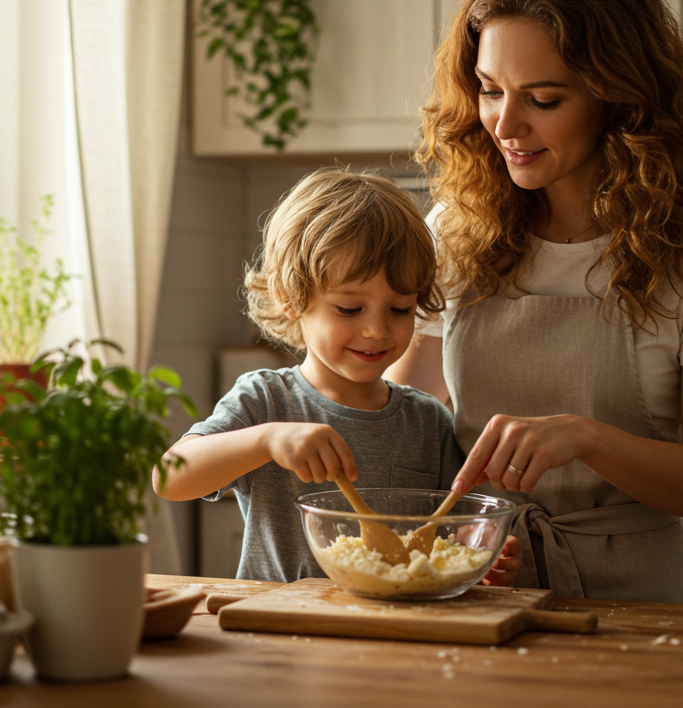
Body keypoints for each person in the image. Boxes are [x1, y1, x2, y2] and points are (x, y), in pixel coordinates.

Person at [384, 0, 683, 603]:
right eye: (489, 89)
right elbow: (403, 427)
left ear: (618, 97)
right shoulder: (454, 231)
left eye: (545, 98)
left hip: (639, 604)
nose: (506, 124)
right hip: (479, 589)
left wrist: (585, 439)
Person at [153, 169, 467, 583]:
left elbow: (455, 537)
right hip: (275, 632)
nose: (377, 330)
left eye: (400, 309)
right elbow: (169, 477)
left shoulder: (429, 422)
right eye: (349, 310)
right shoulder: (265, 401)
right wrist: (267, 440)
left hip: (390, 636)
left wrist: (487, 559)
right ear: (291, 298)